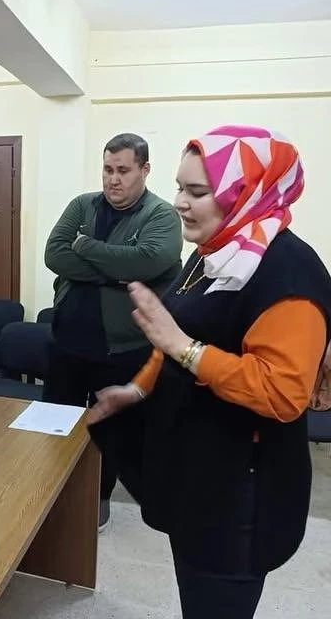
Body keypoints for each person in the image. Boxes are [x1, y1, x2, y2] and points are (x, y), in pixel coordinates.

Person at [88, 125, 331, 618]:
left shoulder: (288, 273)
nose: (179, 202)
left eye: (197, 192)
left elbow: (283, 393)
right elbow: (172, 334)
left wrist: (184, 347)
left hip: (240, 496)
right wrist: (136, 390)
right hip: (196, 475)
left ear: (249, 194)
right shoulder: (216, 253)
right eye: (180, 187)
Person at [43, 132, 182, 529]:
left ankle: (98, 501)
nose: (113, 179)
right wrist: (116, 270)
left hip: (124, 349)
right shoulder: (82, 205)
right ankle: (52, 498)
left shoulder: (160, 215)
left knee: (114, 434)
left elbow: (151, 260)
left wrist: (84, 247)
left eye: (123, 170)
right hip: (67, 342)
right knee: (57, 426)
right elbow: (55, 254)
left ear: (144, 169)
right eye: (108, 169)